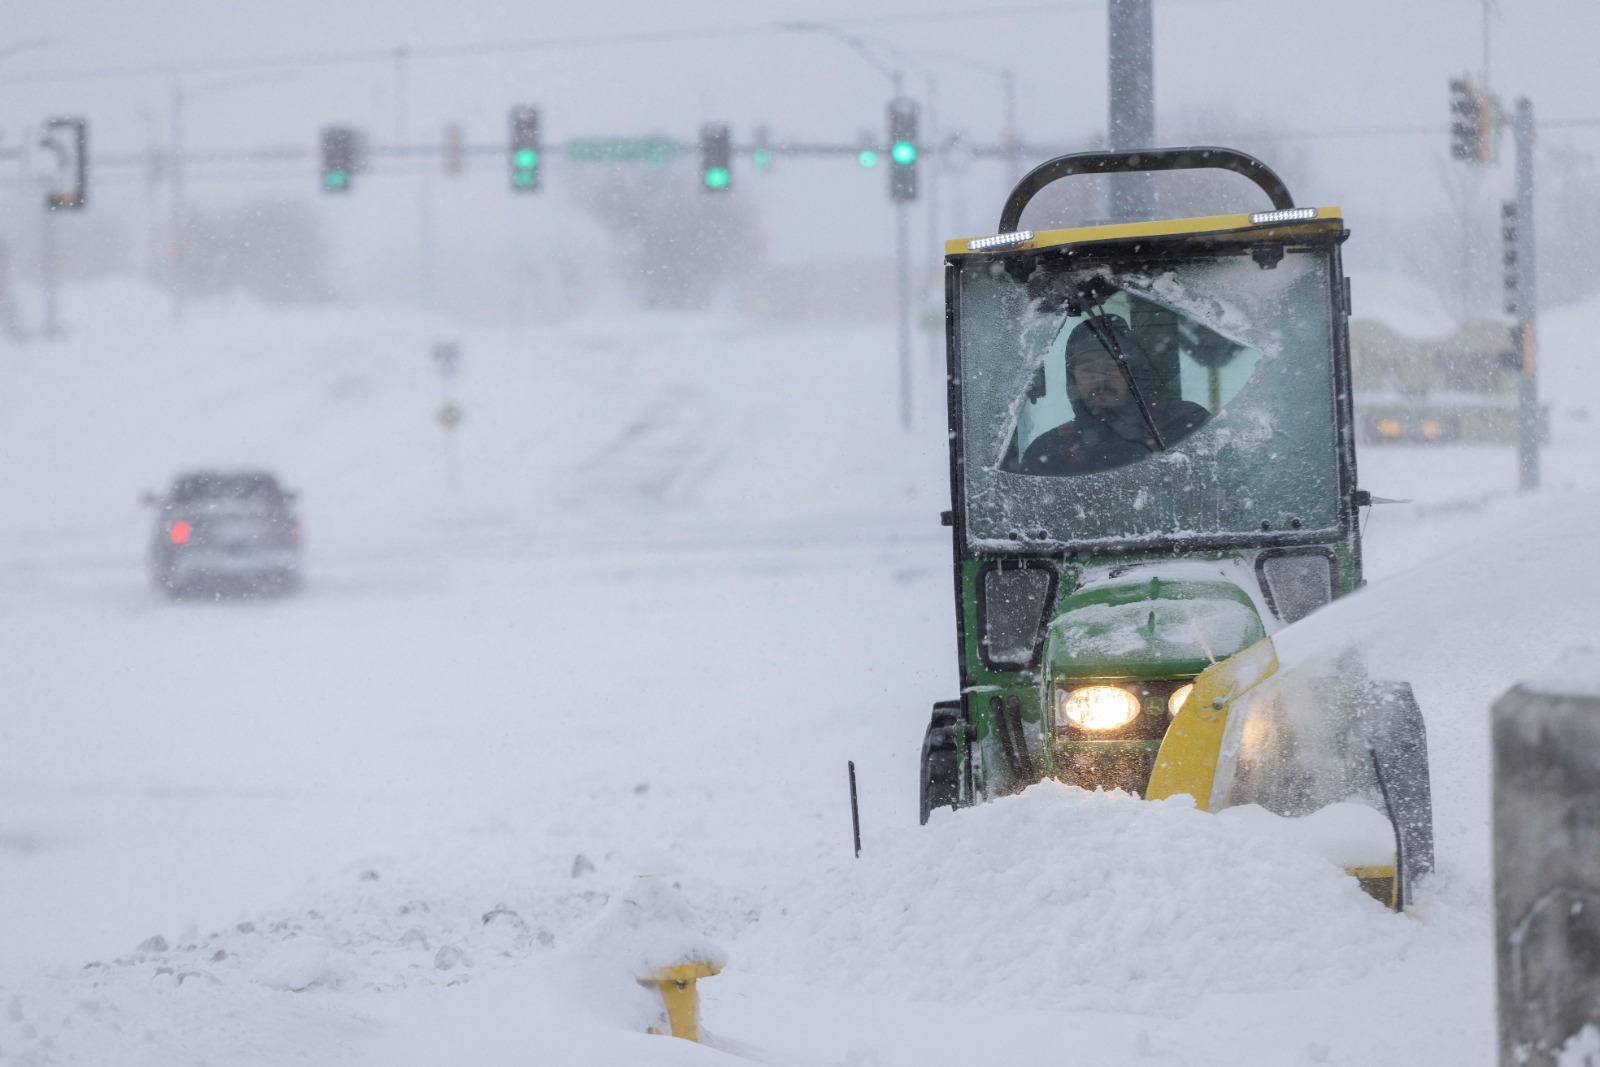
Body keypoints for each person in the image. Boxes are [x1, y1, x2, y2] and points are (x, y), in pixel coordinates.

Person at [1019, 314, 1210, 476]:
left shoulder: (1184, 423)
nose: (1100, 380)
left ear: (1133, 373)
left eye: (1112, 366)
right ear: (1074, 379)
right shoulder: (1050, 451)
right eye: (1088, 369)